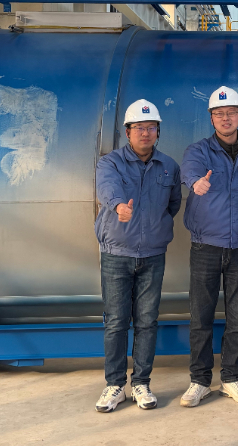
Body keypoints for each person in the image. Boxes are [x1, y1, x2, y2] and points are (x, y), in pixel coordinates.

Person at [179, 86, 238, 407]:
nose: (225, 118)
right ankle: (199, 381)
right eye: (219, 114)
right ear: (211, 118)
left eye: (231, 112)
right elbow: (189, 171)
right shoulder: (198, 151)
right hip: (205, 246)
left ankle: (231, 377)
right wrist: (196, 182)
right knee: (200, 317)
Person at [93, 99, 181, 412]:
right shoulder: (111, 163)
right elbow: (107, 188)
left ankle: (141, 383)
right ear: (127, 132)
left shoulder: (168, 166)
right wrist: (119, 206)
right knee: (116, 322)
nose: (145, 133)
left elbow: (173, 204)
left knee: (147, 321)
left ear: (158, 132)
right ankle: (115, 385)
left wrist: (154, 228)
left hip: (153, 255)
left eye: (151, 127)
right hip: (117, 254)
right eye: (139, 128)